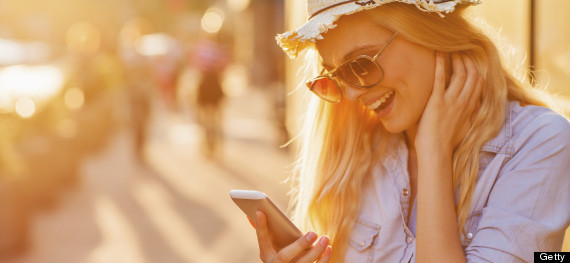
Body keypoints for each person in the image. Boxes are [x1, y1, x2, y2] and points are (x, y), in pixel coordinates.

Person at [251, 0, 570, 262]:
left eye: (360, 65)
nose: (350, 95)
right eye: (335, 77)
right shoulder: (359, 152)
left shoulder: (541, 142)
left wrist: (433, 150)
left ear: (433, 35)